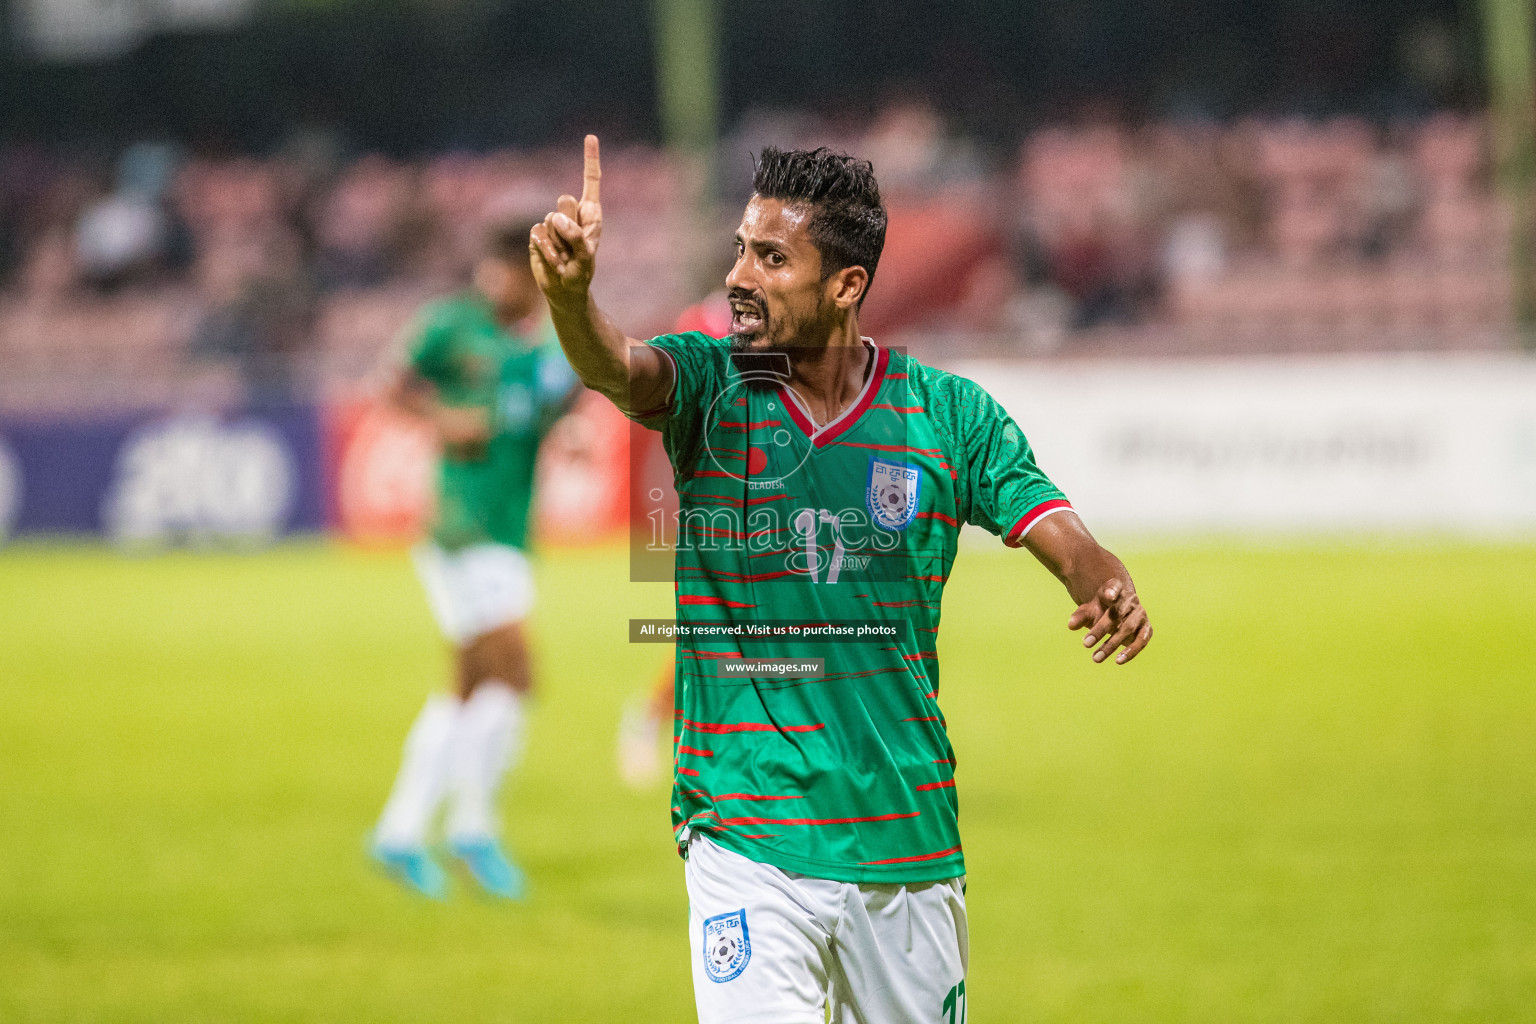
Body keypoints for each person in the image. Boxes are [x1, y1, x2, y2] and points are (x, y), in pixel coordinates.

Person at [531, 138, 1153, 1020]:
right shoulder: (711, 383)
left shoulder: (949, 415)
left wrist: (1102, 578)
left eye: (773, 257)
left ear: (847, 285)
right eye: (742, 246)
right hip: (745, 827)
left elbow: (1051, 525)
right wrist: (569, 298)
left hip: (906, 837)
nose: (741, 274)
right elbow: (617, 366)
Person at [370, 219, 578, 900]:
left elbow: (548, 412)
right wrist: (441, 419)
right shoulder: (451, 326)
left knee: (473, 687)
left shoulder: (549, 347)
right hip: (460, 529)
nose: (499, 282)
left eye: (512, 270)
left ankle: (406, 835)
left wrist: (565, 435)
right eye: (494, 268)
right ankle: (469, 829)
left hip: (511, 531)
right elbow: (394, 382)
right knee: (514, 673)